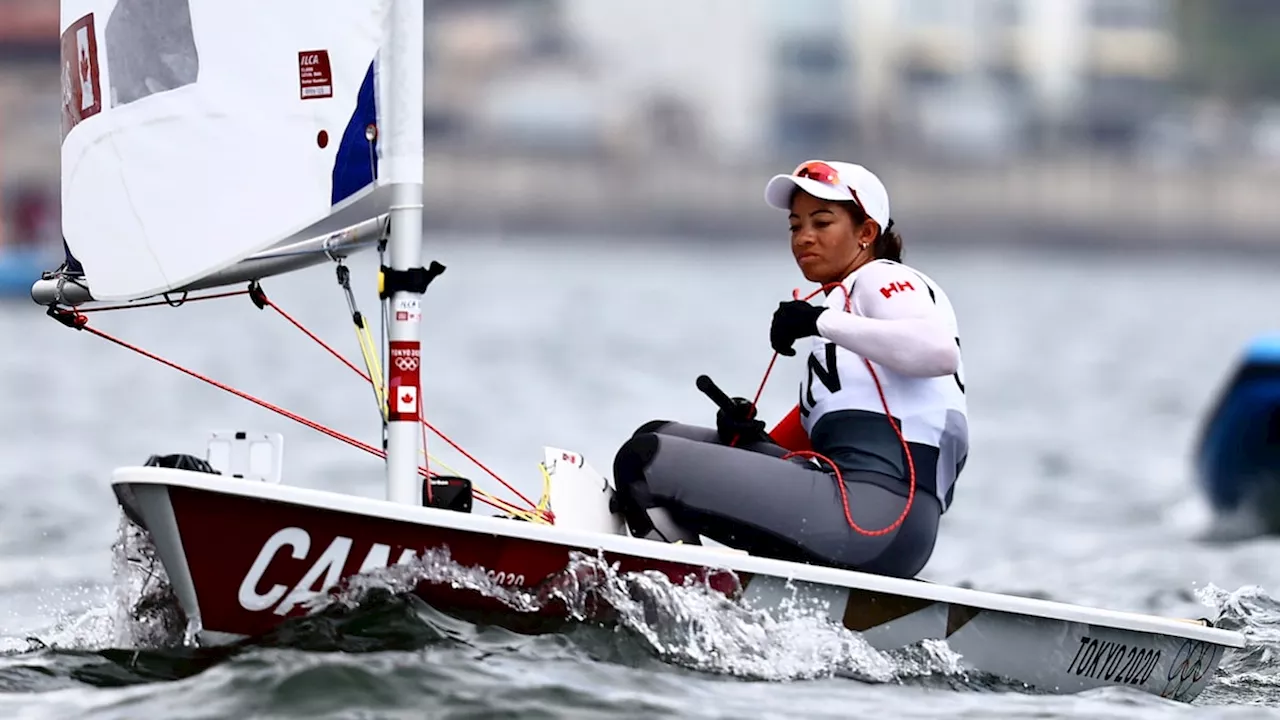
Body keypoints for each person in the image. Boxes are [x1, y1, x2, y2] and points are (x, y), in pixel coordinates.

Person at [611, 160, 968, 579]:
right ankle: (694, 585)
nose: (804, 238)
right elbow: (804, 448)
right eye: (795, 226)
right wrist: (746, 436)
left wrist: (818, 321)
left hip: (880, 519)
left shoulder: (880, 277)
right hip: (859, 508)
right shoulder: (846, 319)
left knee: (645, 461)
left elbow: (939, 353)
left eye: (822, 222)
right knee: (660, 434)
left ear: (867, 233)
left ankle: (689, 603)